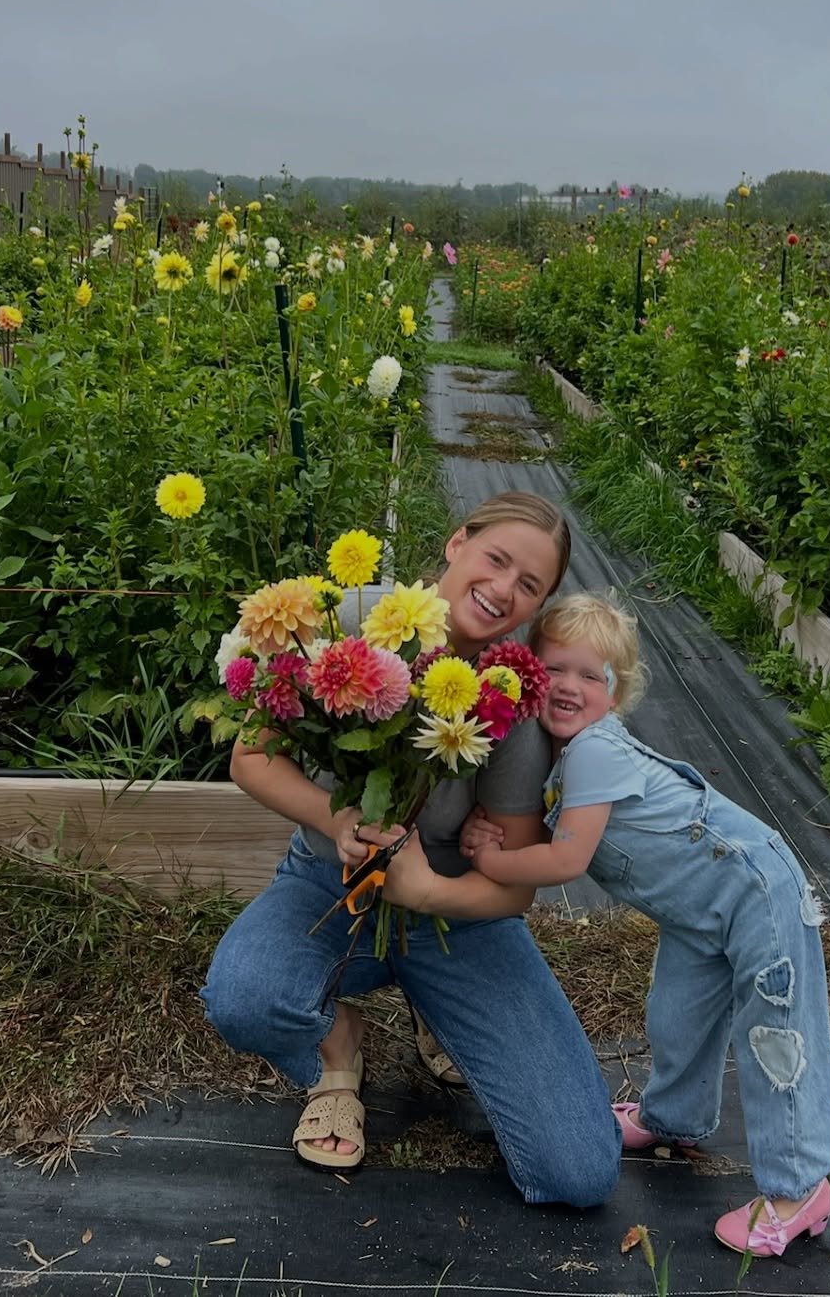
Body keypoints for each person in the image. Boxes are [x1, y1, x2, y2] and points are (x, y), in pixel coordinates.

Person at [200, 493, 622, 1207]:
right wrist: (336, 823)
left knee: (577, 1174)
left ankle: (440, 1003)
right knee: (246, 1000)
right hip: (328, 886)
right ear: (457, 543)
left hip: (456, 915)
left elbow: (516, 889)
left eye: (530, 585)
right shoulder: (346, 623)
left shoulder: (508, 691)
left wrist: (426, 891)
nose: (503, 589)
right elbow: (251, 759)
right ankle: (338, 1052)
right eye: (497, 560)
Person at [468, 593, 830, 1257]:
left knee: (775, 1033)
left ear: (618, 693)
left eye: (593, 677)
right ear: (530, 671)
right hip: (698, 912)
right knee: (676, 1016)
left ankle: (798, 1186)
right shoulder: (558, 756)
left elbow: (567, 857)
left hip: (755, 891)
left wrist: (492, 857)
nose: (571, 687)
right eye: (556, 668)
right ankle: (675, 1119)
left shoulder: (593, 754)